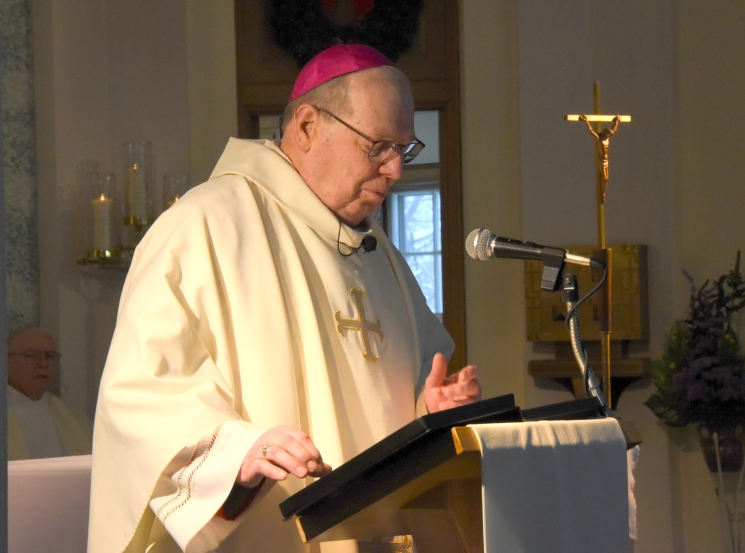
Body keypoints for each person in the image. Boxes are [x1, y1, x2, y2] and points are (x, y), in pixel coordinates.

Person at [88, 44, 481, 553]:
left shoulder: (379, 253)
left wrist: (427, 410)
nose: (395, 171)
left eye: (404, 150)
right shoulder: (206, 226)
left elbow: (393, 398)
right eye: (378, 147)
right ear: (307, 126)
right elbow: (139, 394)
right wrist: (236, 453)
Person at [7, 326, 92, 460]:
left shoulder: (75, 419)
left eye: (50, 356)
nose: (43, 363)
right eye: (32, 355)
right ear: (6, 361)